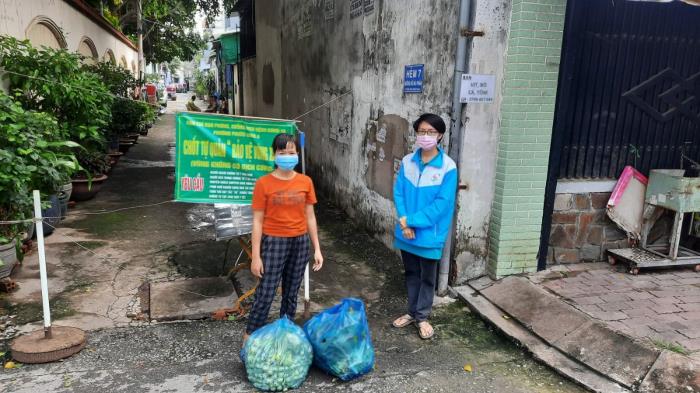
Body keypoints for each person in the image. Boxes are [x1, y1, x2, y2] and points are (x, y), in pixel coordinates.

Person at [243, 133, 324, 344]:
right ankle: (249, 339)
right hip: (274, 242)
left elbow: (310, 216)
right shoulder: (263, 183)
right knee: (266, 293)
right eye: (282, 152)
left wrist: (316, 248)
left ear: (297, 154)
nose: (287, 156)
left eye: (291, 152)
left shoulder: (306, 182)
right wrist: (256, 257)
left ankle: (285, 336)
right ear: (274, 155)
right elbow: (257, 222)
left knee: (291, 293)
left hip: (299, 242)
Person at [391, 113, 457, 340]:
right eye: (422, 131)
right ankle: (411, 312)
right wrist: (404, 221)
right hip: (406, 230)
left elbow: (442, 205)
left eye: (431, 132)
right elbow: (399, 192)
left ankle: (422, 317)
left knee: (428, 277)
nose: (426, 136)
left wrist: (411, 221)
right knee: (411, 273)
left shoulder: (448, 167)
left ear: (440, 136)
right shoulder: (408, 160)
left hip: (430, 234)